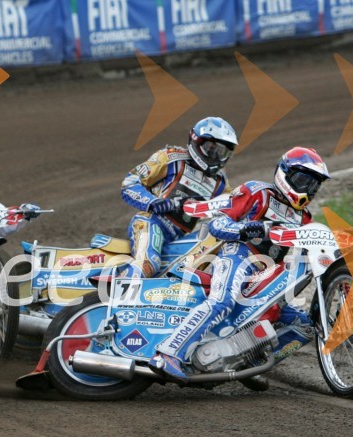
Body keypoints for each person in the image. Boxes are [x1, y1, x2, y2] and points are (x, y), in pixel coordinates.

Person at [149, 147, 332, 383]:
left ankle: (249, 365)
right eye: (304, 180)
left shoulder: (304, 217)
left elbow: (315, 248)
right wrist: (245, 229)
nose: (308, 189)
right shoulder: (258, 192)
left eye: (314, 185)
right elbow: (218, 225)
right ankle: (168, 353)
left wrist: (347, 238)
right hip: (238, 255)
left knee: (305, 325)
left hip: (266, 274)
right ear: (285, 174)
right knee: (222, 301)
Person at [120, 117, 238, 277]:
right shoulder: (170, 157)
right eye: (211, 148)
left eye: (222, 152)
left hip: (183, 238)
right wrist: (153, 202)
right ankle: (120, 286)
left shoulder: (220, 182)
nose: (215, 156)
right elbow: (130, 182)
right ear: (197, 141)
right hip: (152, 223)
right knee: (148, 264)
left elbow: (234, 206)